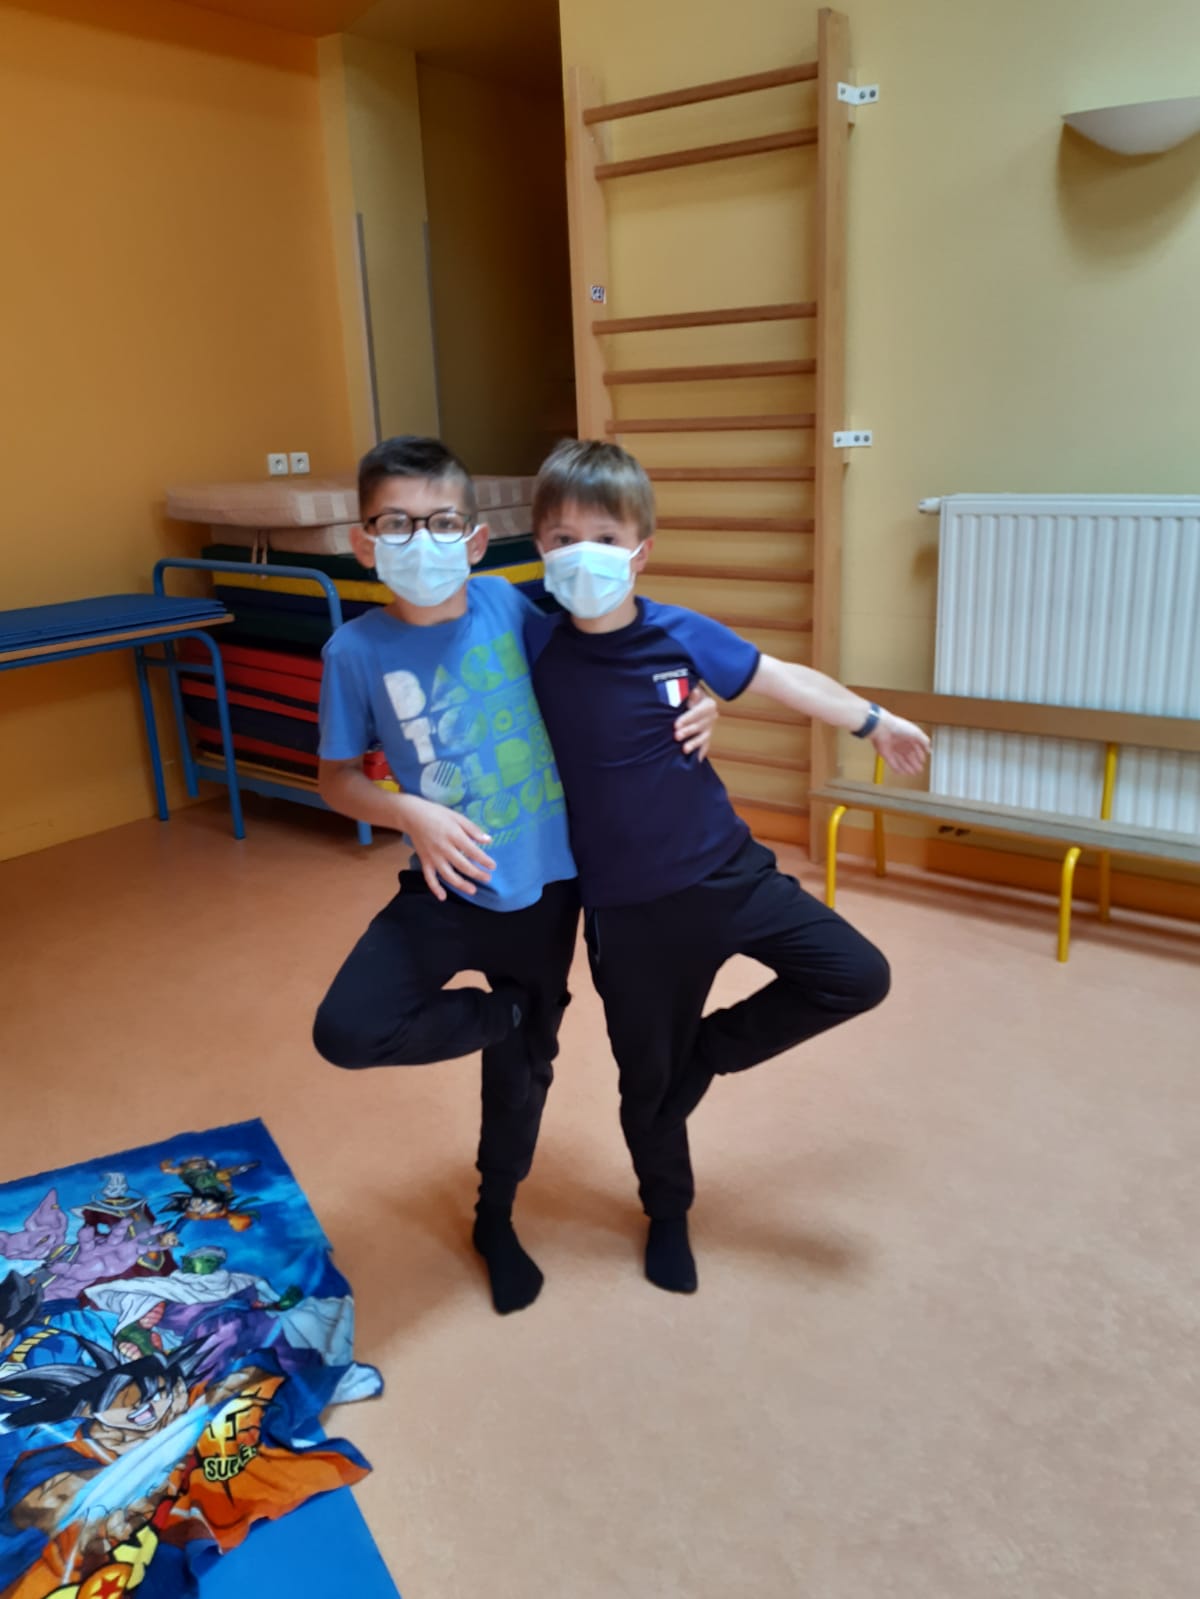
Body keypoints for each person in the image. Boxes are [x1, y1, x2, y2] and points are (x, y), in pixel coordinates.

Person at [311, 437, 717, 1313]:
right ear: (362, 541)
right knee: (348, 1027)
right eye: (395, 523)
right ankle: (512, 1018)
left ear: (475, 538)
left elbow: (625, 641)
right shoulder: (353, 651)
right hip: (447, 883)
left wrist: (701, 692)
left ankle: (499, 1215)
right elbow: (336, 777)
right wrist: (407, 811)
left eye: (441, 521)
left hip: (550, 890)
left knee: (535, 1077)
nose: (420, 540)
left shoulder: (510, 604)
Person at [526, 439, 932, 1295]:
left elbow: (783, 678)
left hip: (727, 876)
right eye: (561, 538)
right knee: (647, 1086)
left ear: (640, 549)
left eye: (604, 537)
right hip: (628, 915)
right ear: (539, 547)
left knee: (857, 974)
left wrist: (873, 720)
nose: (581, 554)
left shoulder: (680, 633)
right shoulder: (532, 641)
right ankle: (668, 1212)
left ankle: (708, 1053)